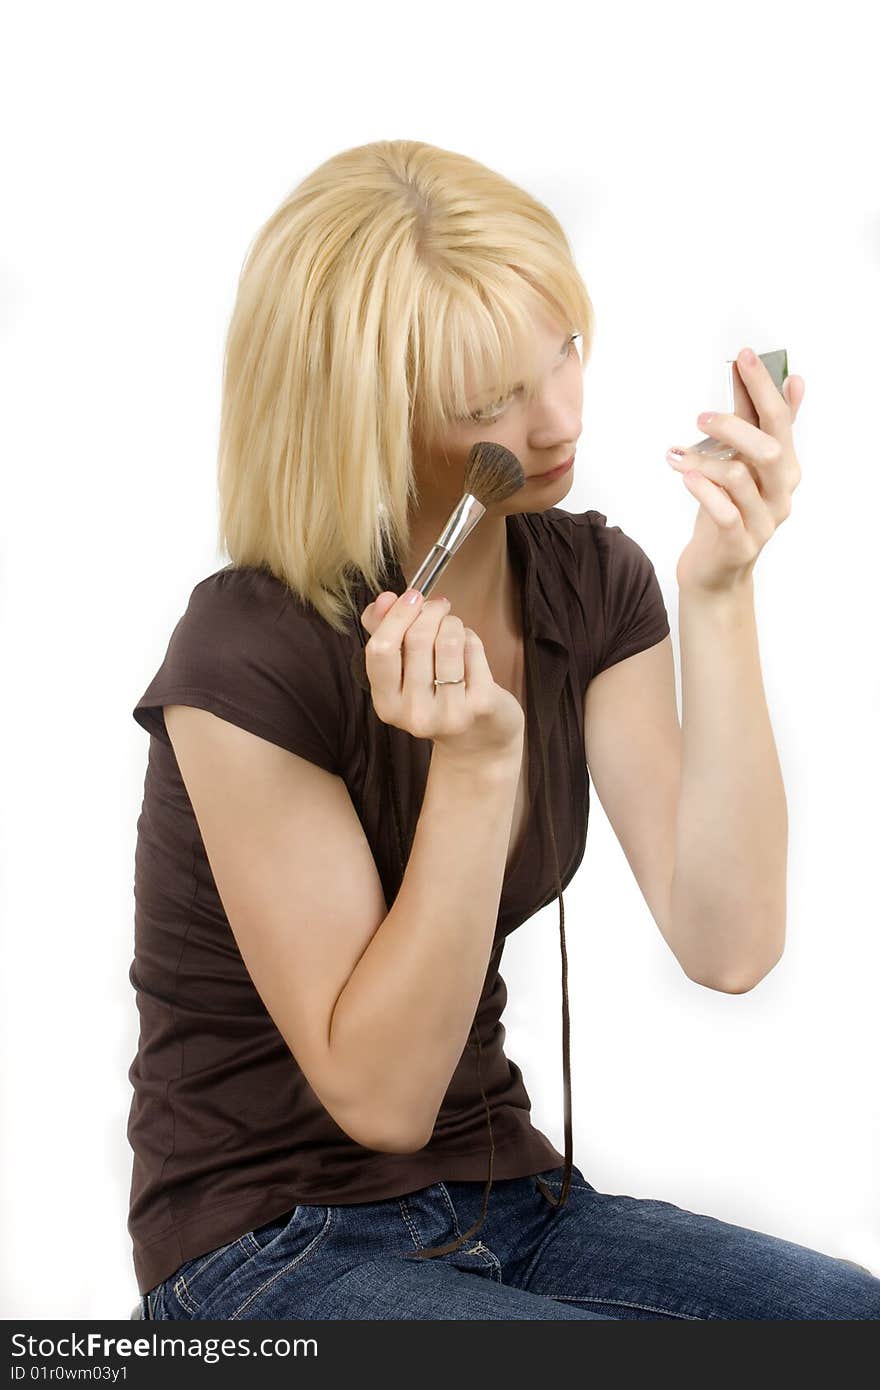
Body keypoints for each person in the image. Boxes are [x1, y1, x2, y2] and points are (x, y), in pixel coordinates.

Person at [128, 138, 879, 1320]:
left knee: (848, 1322)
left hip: (509, 1202)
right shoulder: (246, 650)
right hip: (266, 1241)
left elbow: (727, 943)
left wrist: (719, 593)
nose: (559, 416)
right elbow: (379, 1096)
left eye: (564, 350)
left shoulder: (588, 583)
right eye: (493, 400)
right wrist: (477, 769)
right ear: (362, 412)